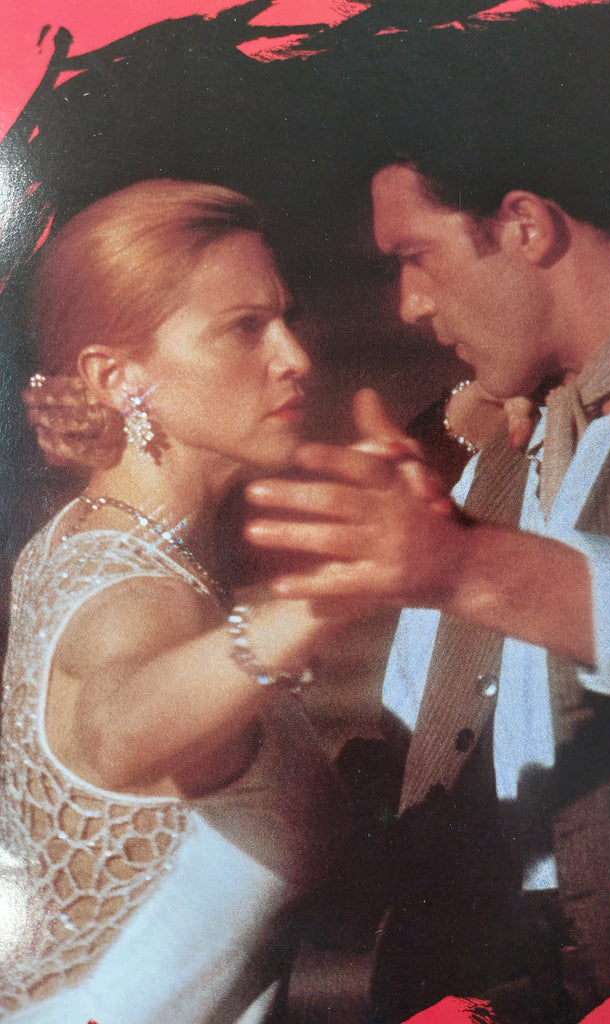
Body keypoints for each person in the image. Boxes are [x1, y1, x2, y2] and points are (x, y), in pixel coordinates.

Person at [242, 3, 610, 1021]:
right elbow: (427, 755)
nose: (408, 304)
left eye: (414, 255)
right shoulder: (483, 431)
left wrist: (469, 567)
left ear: (525, 224)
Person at [0, 179, 349, 1023]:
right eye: (244, 329)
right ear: (117, 378)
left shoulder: (90, 536)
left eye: (288, 318)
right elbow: (118, 730)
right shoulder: (132, 596)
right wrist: (331, 596)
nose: (294, 356)